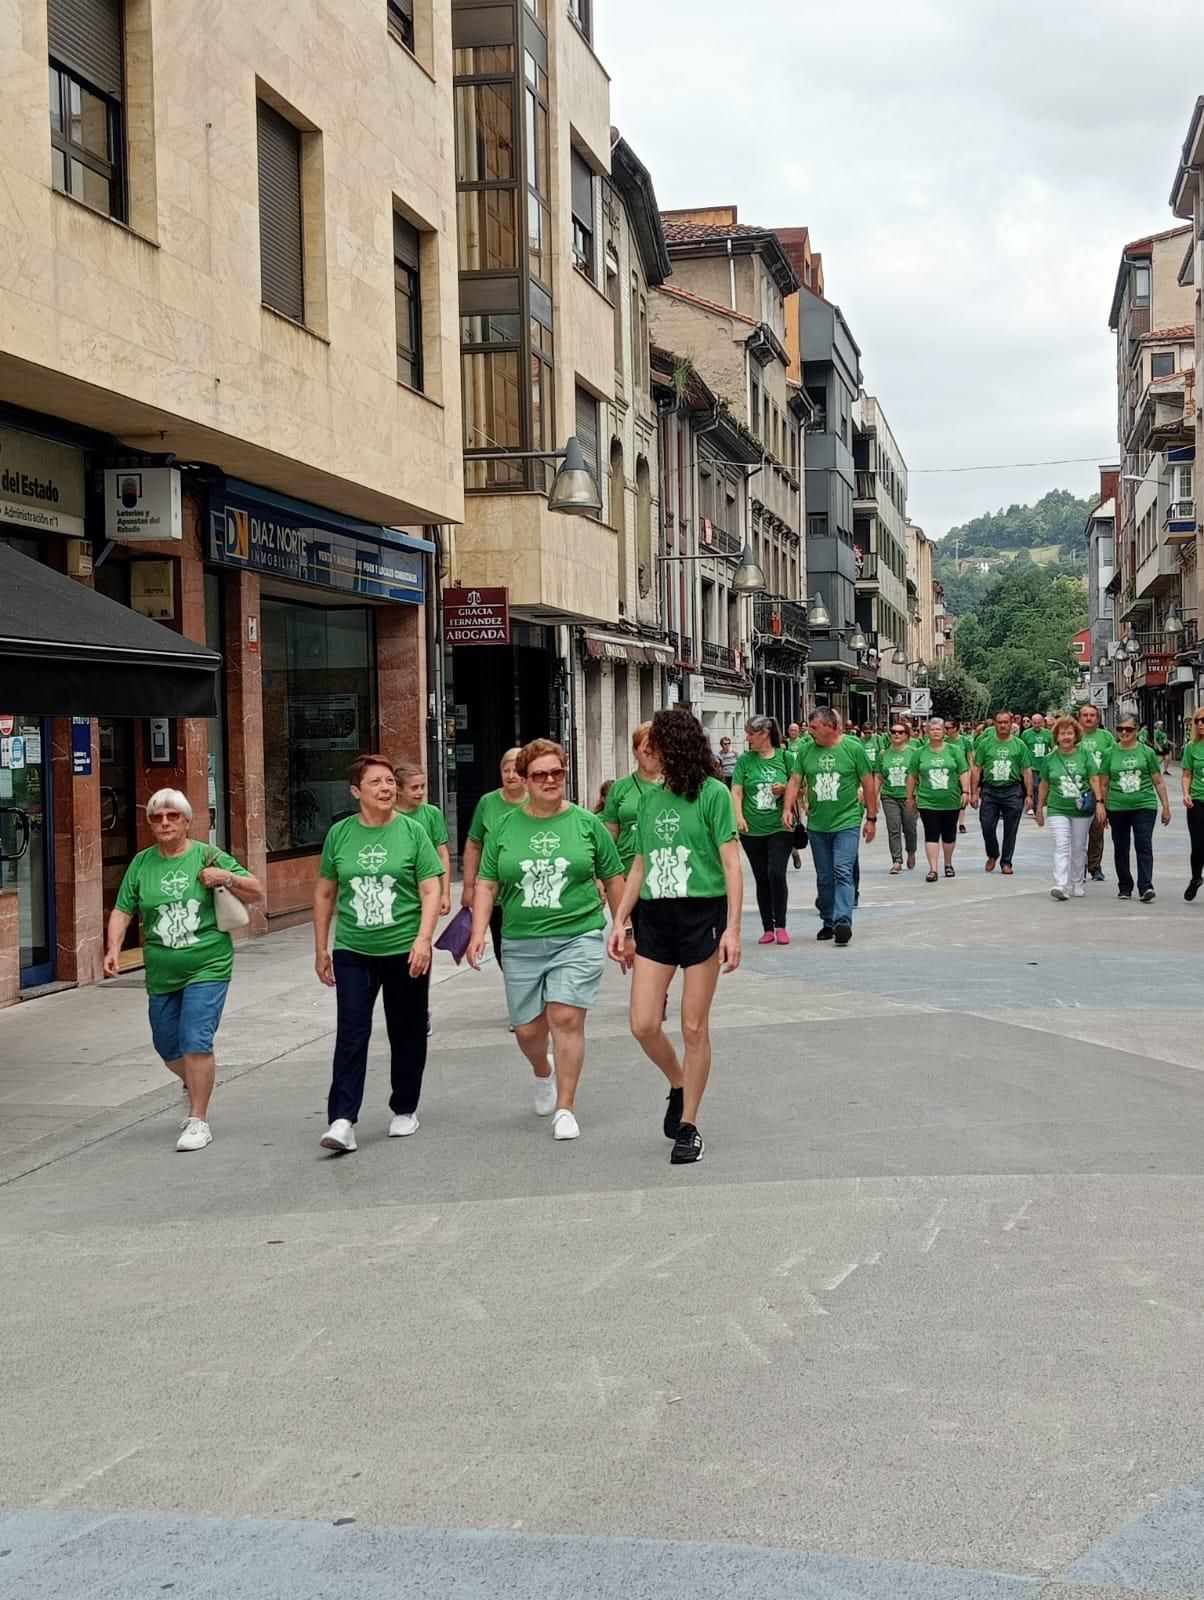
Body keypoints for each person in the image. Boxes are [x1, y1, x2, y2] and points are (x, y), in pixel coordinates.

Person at [468, 739, 625, 1141]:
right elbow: (487, 883)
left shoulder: (586, 824)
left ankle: (566, 1108)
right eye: (541, 774)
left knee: (565, 1018)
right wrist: (478, 931)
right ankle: (543, 1071)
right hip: (520, 938)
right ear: (524, 779)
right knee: (528, 1031)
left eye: (557, 773)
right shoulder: (504, 825)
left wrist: (623, 926)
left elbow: (613, 877)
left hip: (579, 932)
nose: (551, 780)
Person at [608, 707, 742, 1165]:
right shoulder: (649, 799)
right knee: (643, 1023)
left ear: (673, 745)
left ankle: (689, 1124)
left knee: (691, 1024)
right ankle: (678, 1081)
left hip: (701, 911)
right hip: (656, 915)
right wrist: (621, 920)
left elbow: (729, 863)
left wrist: (734, 928)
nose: (647, 752)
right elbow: (640, 863)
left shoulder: (713, 794)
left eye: (654, 744)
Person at [104, 789, 262, 1153]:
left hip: (208, 963)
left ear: (188, 822)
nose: (164, 823)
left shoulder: (207, 856)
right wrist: (113, 947)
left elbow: (256, 890)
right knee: (167, 1045)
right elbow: (123, 910)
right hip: (161, 970)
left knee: (195, 1038)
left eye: (172, 816)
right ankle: (196, 1080)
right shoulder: (142, 864)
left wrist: (226, 877)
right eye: (156, 818)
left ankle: (198, 1120)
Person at [314, 756, 443, 1153]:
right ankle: (342, 1119)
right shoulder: (340, 834)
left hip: (405, 948)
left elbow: (430, 888)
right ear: (356, 792)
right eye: (376, 783)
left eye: (389, 781)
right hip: (353, 947)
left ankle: (404, 1107)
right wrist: (321, 946)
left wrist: (424, 939)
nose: (386, 788)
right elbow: (324, 892)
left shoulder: (412, 831)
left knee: (405, 1030)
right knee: (352, 1031)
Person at [785, 706, 876, 945]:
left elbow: (868, 782)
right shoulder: (806, 751)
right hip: (817, 824)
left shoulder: (853, 748)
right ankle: (828, 920)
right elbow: (795, 781)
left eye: (814, 727)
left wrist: (871, 818)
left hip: (847, 821)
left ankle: (843, 920)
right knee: (824, 877)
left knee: (842, 870)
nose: (809, 731)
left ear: (831, 727)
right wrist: (787, 809)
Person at [460, 748, 527, 969]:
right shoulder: (488, 803)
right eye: (505, 770)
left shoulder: (537, 800)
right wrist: (469, 887)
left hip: (528, 890)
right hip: (496, 892)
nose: (511, 775)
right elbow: (474, 844)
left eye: (516, 769)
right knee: (504, 951)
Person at [732, 714, 794, 945]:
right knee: (761, 877)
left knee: (776, 873)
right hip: (752, 829)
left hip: (780, 826)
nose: (747, 738)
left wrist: (785, 789)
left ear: (764, 734)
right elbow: (736, 791)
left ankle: (782, 925)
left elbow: (799, 786)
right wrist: (738, 817)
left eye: (751, 734)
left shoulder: (784, 758)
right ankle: (767, 926)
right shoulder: (745, 761)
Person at [1098, 715, 1171, 902]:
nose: (1124, 732)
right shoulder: (1109, 753)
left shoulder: (1146, 752)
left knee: (1144, 844)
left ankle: (1146, 886)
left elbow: (1159, 781)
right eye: (1120, 729)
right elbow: (1104, 783)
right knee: (1121, 847)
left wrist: (1166, 807)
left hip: (1144, 804)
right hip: (1117, 806)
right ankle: (1125, 886)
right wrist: (1102, 806)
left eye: (1128, 729)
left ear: (1136, 730)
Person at [1033, 716, 1096, 901]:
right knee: (1061, 845)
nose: (1066, 737)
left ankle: (1077, 882)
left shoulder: (1085, 755)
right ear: (1056, 736)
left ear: (1076, 735)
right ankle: (1061, 884)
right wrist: (1039, 808)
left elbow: (1094, 779)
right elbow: (1044, 784)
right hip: (1057, 808)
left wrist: (1100, 802)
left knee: (1078, 847)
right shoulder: (1049, 759)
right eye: (1063, 733)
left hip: (1081, 809)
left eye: (1070, 733)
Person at [907, 717, 969, 880]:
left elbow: (963, 771)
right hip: (928, 800)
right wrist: (910, 797)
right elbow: (912, 776)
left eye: (938, 729)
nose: (935, 732)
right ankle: (933, 869)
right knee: (931, 833)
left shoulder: (953, 750)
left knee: (949, 834)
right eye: (932, 729)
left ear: (944, 732)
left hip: (950, 799)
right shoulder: (919, 752)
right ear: (927, 732)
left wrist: (966, 791)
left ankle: (948, 864)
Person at [971, 710, 1032, 875]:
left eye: (1006, 722)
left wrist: (1029, 795)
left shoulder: (1019, 745)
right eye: (999, 722)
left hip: (1013, 790)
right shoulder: (986, 743)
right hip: (990, 790)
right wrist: (974, 793)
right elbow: (977, 769)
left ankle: (1006, 861)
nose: (1003, 725)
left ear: (1011, 723)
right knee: (987, 825)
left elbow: (1026, 770)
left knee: (1011, 828)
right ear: (995, 724)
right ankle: (992, 853)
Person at [394, 762, 452, 917]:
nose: (420, 792)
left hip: (427, 884)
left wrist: (445, 893)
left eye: (422, 786)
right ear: (399, 789)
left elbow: (442, 854)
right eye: (414, 788)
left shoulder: (432, 813)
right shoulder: (389, 815)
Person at [1075, 703, 1115, 881]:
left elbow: (1114, 758)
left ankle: (1094, 865)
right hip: (1079, 789)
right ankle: (1079, 866)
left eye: (1092, 715)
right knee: (1078, 832)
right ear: (1079, 718)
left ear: (1098, 718)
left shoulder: (1106, 737)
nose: (1089, 718)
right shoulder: (1073, 736)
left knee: (1097, 830)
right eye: (1085, 715)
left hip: (1101, 788)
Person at [879, 720, 918, 874]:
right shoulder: (884, 754)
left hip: (908, 796)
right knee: (893, 828)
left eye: (900, 732)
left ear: (907, 736)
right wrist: (873, 797)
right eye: (893, 732)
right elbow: (878, 776)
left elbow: (917, 775)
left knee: (910, 828)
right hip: (889, 795)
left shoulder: (913, 752)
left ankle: (911, 851)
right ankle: (896, 860)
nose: (896, 734)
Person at [1181, 709, 1204, 901]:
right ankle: (1196, 878)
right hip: (1197, 802)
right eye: (1198, 721)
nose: (1201, 724)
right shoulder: (1192, 747)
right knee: (1198, 846)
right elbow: (1187, 774)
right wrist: (1186, 793)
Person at [1021, 712, 1053, 794]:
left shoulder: (1047, 733)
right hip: (1032, 766)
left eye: (1039, 723)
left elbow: (1053, 747)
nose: (1037, 725)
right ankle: (1035, 804)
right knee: (1035, 786)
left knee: (1044, 786)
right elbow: (1022, 750)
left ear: (1042, 722)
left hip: (1044, 765)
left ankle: (1042, 804)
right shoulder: (1026, 734)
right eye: (1035, 723)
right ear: (1031, 722)